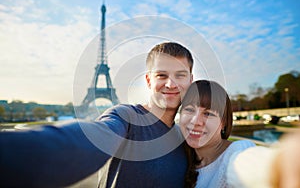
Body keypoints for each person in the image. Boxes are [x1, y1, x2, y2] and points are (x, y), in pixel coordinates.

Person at [0, 42, 194, 187]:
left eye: (180, 75)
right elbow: (90, 138)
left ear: (191, 80)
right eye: (162, 75)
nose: (170, 84)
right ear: (148, 80)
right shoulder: (125, 118)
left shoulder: (186, 137)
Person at [179, 80, 255, 188]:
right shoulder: (181, 157)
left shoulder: (238, 152)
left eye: (207, 113)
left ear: (223, 122)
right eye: (189, 110)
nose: (195, 121)